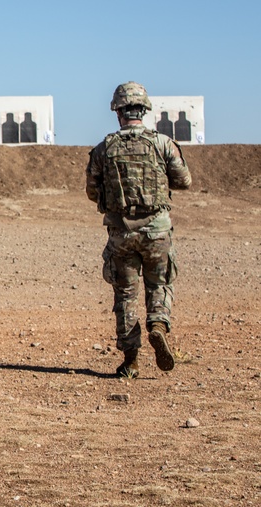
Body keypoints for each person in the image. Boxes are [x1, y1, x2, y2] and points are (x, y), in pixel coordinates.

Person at [86, 82, 191, 379]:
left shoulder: (104, 148)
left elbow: (92, 192)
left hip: (121, 233)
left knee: (125, 295)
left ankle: (131, 360)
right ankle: (158, 325)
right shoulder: (162, 144)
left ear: (118, 112)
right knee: (159, 285)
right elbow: (184, 181)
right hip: (156, 230)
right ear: (143, 110)